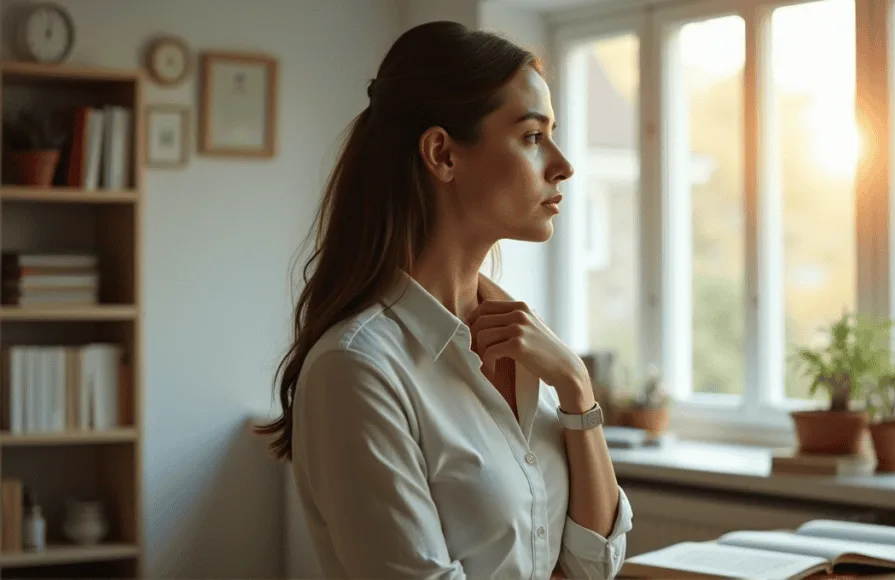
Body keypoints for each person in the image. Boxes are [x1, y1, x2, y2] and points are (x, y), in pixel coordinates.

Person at [254, 20, 633, 580]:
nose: (563, 164)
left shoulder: (531, 350)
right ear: (442, 155)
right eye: (532, 136)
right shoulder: (357, 368)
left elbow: (594, 565)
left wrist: (577, 388)